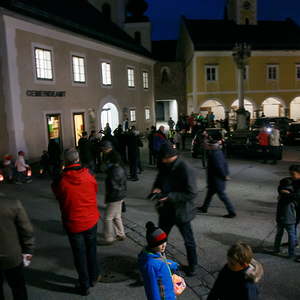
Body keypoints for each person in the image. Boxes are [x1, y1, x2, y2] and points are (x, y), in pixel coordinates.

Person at [52, 148, 101, 296]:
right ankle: (94, 277)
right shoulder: (89, 174)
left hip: (73, 223)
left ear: (65, 161)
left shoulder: (61, 179)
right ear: (78, 159)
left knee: (79, 254)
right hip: (91, 219)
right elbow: (95, 189)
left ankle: (84, 284)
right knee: (92, 249)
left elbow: (57, 193)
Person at [151, 142, 199, 276]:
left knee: (188, 240)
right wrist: (157, 189)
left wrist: (170, 197)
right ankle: (159, 264)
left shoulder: (185, 168)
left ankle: (193, 266)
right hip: (166, 211)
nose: (161, 161)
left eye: (163, 158)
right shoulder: (165, 165)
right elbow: (159, 179)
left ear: (169, 157)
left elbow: (192, 193)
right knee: (159, 239)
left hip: (181, 211)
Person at [0, 195, 35, 300]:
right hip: (12, 256)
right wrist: (28, 250)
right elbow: (27, 231)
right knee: (18, 288)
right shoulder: (12, 204)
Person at [138, 221, 179, 300]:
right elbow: (152, 289)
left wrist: (173, 264)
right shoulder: (151, 265)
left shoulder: (157, 253)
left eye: (165, 241)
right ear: (152, 245)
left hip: (169, 293)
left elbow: (163, 261)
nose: (164, 245)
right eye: (160, 243)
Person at [198, 140, 236, 218]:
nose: (208, 147)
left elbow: (218, 167)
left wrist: (224, 176)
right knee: (209, 195)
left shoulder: (214, 154)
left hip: (216, 180)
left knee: (223, 197)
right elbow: (225, 164)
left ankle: (232, 212)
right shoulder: (219, 152)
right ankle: (204, 208)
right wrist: (226, 174)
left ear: (212, 146)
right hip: (215, 180)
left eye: (209, 145)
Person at [98, 150, 127, 245]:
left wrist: (109, 198)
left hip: (114, 196)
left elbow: (113, 185)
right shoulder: (120, 168)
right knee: (117, 216)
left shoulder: (113, 170)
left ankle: (109, 238)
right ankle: (120, 234)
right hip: (120, 195)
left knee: (108, 217)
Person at [273, 177, 297, 258]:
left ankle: (276, 249)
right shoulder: (292, 195)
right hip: (290, 218)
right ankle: (291, 253)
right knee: (292, 235)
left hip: (280, 218)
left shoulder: (281, 194)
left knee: (279, 234)